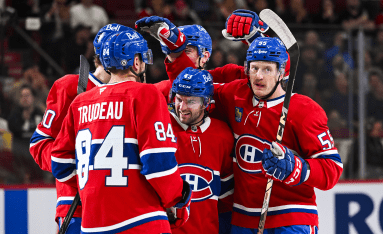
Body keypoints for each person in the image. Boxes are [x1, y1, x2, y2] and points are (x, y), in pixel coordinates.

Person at [137, 10, 343, 233]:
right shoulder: (234, 93)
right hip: (243, 218)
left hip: (291, 216)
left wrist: (297, 168)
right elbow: (193, 87)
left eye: (267, 69)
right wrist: (176, 51)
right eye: (254, 68)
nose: (259, 76)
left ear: (282, 72)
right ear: (246, 69)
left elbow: (332, 169)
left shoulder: (304, 109)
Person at [51, 30, 192, 233]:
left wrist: (97, 180)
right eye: (143, 60)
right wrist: (180, 196)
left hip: (92, 225)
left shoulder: (80, 102)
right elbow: (158, 163)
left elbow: (60, 164)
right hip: (141, 219)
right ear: (136, 62)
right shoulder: (146, 93)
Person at [29, 23, 132, 233]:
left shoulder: (135, 93)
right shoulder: (70, 87)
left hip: (123, 206)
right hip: (77, 205)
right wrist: (76, 167)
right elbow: (39, 144)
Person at [168, 67, 234, 234]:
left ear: (206, 103)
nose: (182, 107)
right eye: (179, 99)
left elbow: (226, 197)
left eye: (190, 101)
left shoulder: (223, 134)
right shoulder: (162, 127)